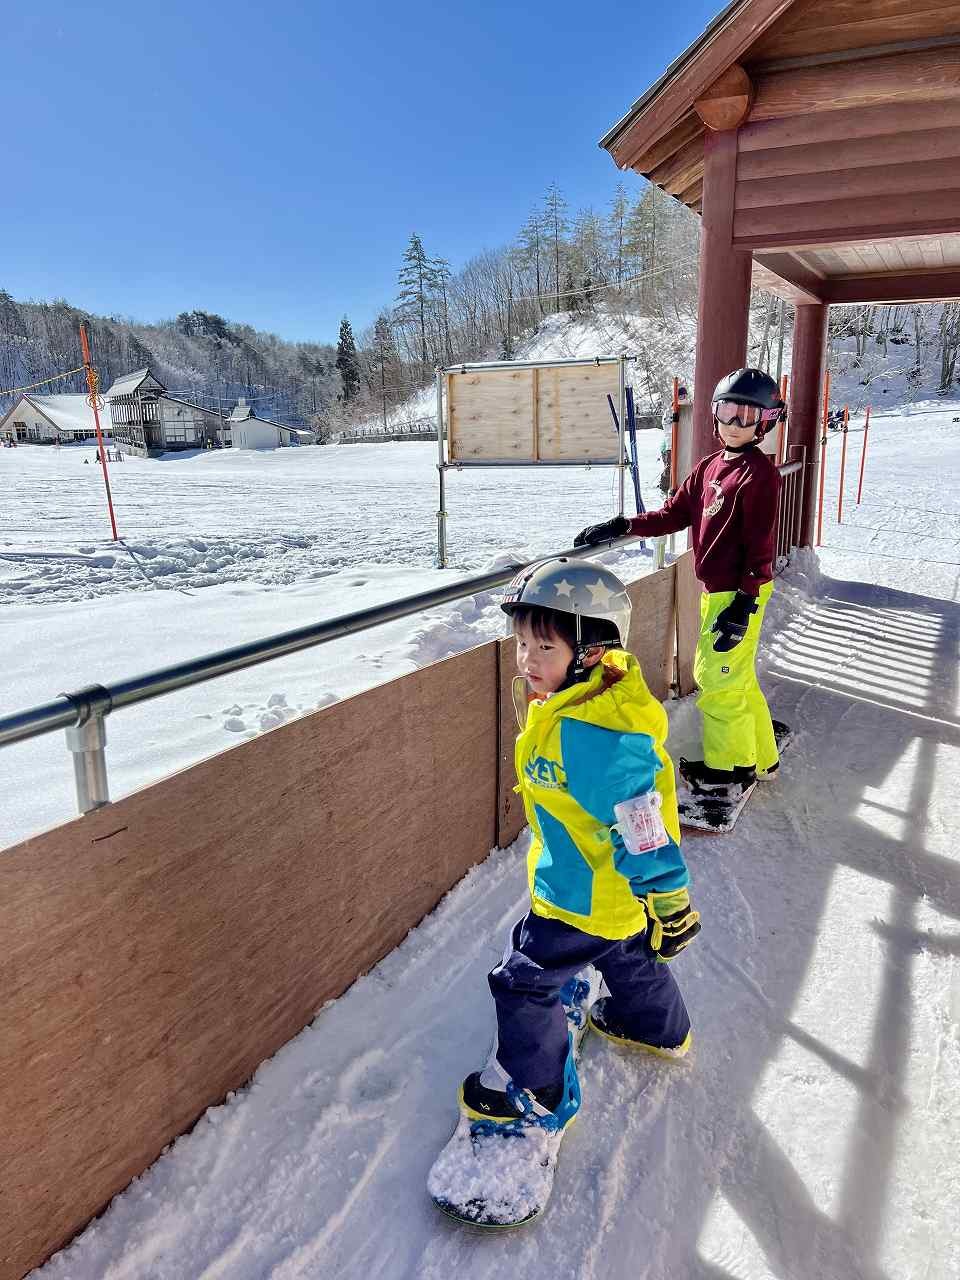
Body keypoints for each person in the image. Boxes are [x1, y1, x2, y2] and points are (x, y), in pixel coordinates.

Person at [458, 556, 700, 1134]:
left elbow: (642, 825)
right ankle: (660, 1029)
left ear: (591, 650)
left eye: (544, 649)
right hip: (603, 887)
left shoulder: (593, 736)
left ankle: (536, 1090)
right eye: (521, 645)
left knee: (521, 979)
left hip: (581, 894)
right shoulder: (579, 702)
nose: (526, 661)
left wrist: (671, 900)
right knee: (626, 951)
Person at [574, 367, 787, 800]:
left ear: (765, 421)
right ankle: (762, 758)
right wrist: (624, 524)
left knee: (717, 677)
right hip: (719, 590)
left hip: (739, 593)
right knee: (738, 678)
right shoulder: (710, 466)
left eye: (746, 416)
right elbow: (673, 514)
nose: (734, 424)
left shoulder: (759, 475)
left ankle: (732, 767)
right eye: (727, 411)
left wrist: (743, 606)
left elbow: (761, 547)